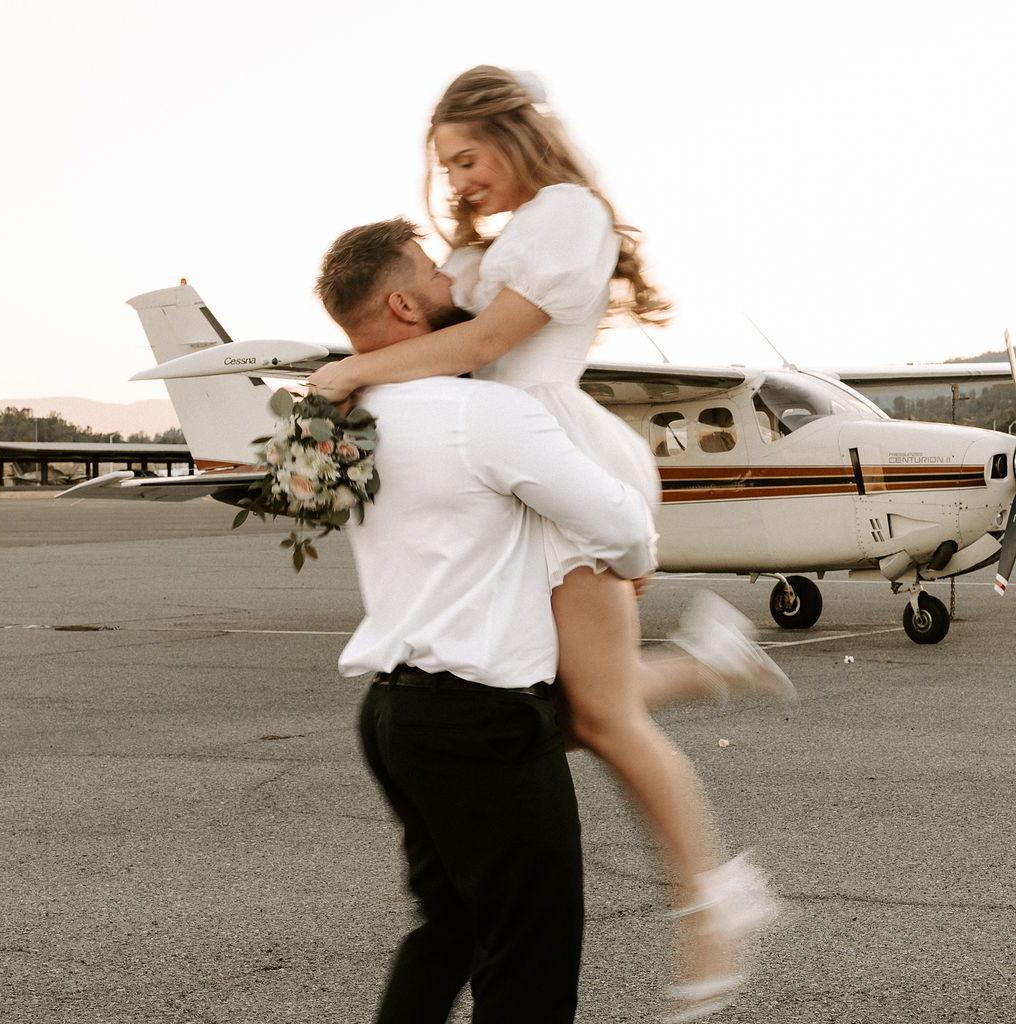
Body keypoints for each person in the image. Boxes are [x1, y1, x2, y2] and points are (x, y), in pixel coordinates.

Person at [308, 67, 791, 1021]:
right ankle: (705, 667)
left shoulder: (567, 214)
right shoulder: (502, 240)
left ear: (513, 135)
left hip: (556, 456)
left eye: (467, 158)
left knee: (597, 718)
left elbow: (478, 342)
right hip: (519, 466)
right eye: (446, 167)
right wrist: (449, 243)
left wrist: (352, 372)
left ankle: (716, 898)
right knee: (560, 708)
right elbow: (434, 311)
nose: (458, 179)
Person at [318, 216, 657, 1023]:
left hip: (394, 717)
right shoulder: (483, 415)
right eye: (434, 272)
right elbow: (624, 528)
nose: (455, 282)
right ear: (403, 305)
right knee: (530, 958)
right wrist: (628, 563)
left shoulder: (350, 424)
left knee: (453, 931)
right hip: (480, 724)